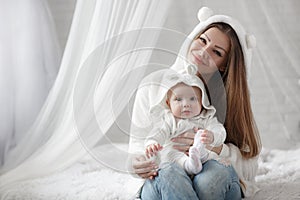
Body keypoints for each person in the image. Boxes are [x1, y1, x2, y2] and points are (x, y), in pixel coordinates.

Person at [128, 6, 261, 200]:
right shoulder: (153, 86)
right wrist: (138, 164)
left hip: (212, 169)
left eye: (216, 51)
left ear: (225, 64)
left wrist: (215, 147)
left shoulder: (230, 101)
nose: (204, 51)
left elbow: (250, 165)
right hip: (169, 168)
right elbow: (137, 148)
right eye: (202, 40)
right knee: (168, 176)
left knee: (207, 183)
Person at [144, 66, 226, 175]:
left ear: (202, 102)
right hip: (175, 155)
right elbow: (159, 132)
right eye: (178, 99)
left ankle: (198, 155)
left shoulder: (206, 118)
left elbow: (219, 130)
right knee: (167, 155)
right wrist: (152, 143)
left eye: (193, 99)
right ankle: (191, 164)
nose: (186, 104)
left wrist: (212, 136)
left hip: (203, 156)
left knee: (202, 138)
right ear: (169, 104)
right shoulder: (169, 120)